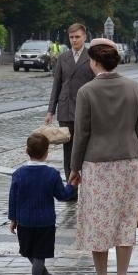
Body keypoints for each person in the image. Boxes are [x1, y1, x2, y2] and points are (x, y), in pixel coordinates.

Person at [69, 38, 138, 275]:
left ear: (94, 62)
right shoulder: (134, 88)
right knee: (126, 219)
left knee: (98, 221)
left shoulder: (87, 91)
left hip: (97, 163)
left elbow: (81, 133)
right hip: (129, 161)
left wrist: (74, 167)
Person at [8, 132, 76, 275]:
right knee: (39, 255)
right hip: (45, 222)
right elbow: (62, 195)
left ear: (26, 150)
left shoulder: (18, 174)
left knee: (29, 252)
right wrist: (73, 186)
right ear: (47, 153)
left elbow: (13, 198)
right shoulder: (51, 174)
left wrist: (13, 219)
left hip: (25, 221)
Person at [45, 23, 93, 185]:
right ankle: (71, 186)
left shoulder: (91, 57)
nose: (74, 40)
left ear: (84, 37)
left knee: (85, 148)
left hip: (85, 109)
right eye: (71, 37)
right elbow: (56, 85)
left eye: (77, 37)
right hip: (65, 109)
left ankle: (86, 184)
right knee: (68, 150)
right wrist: (50, 110)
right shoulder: (63, 57)